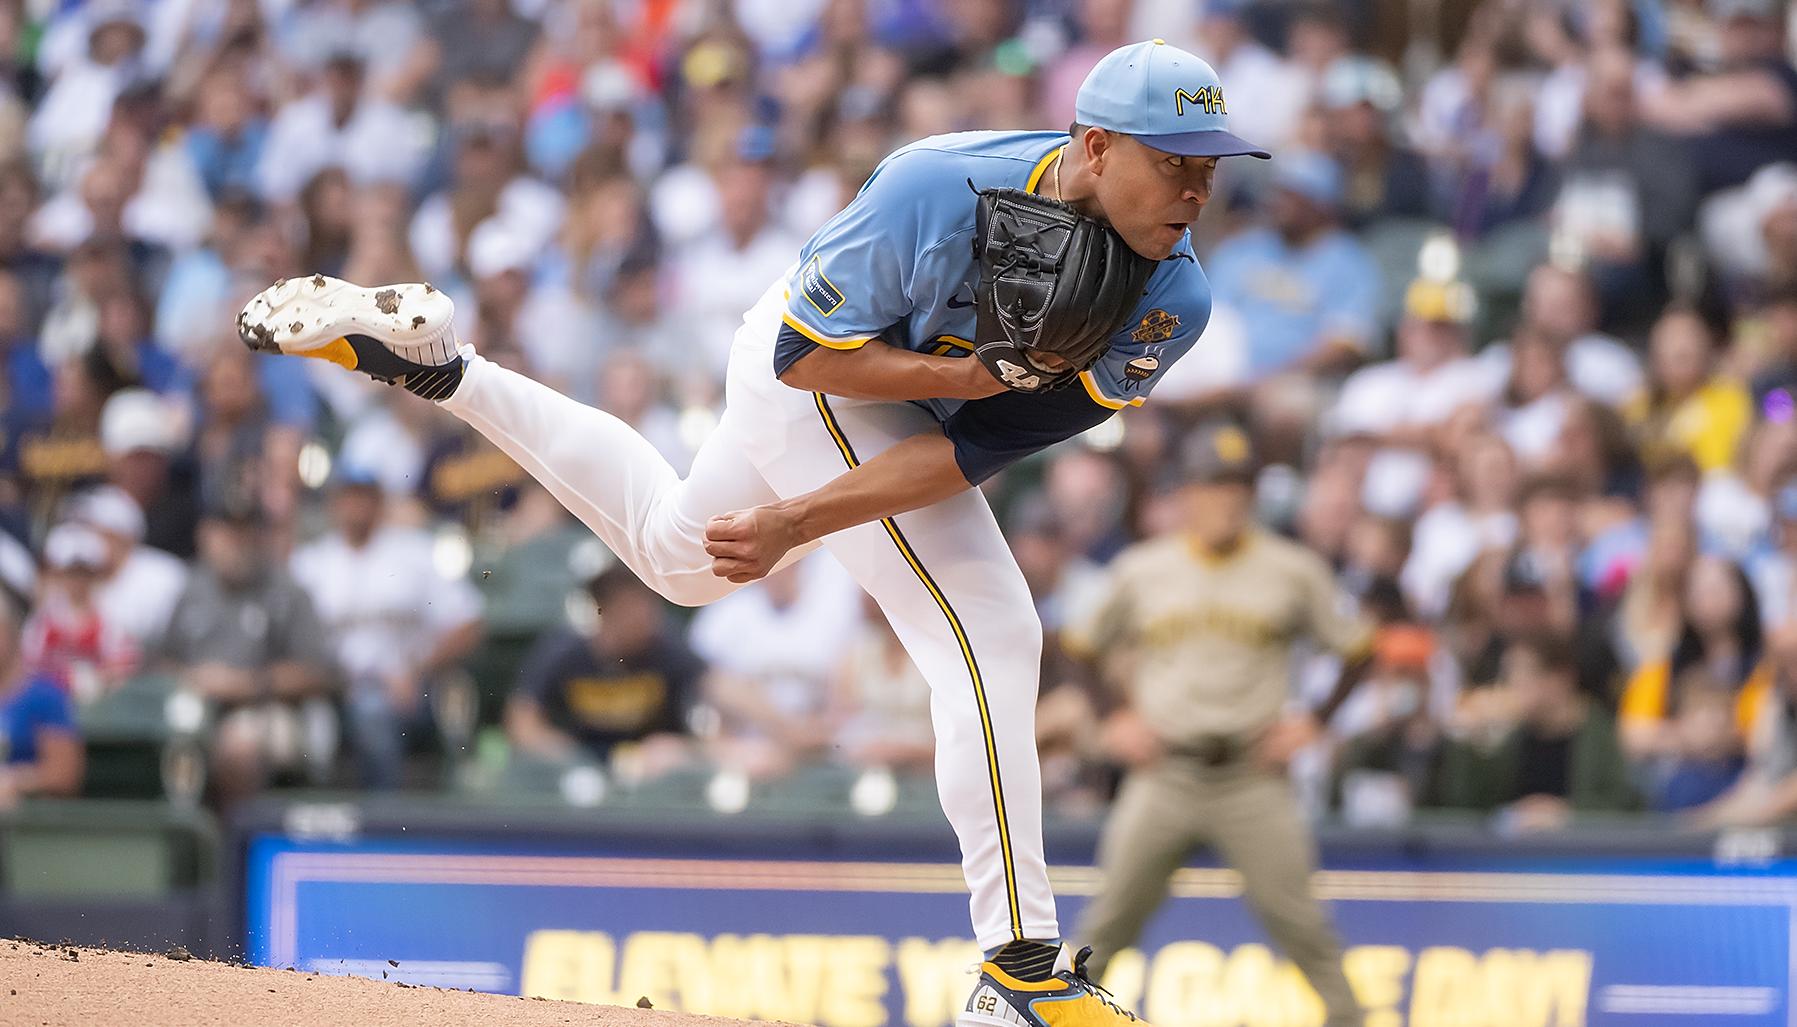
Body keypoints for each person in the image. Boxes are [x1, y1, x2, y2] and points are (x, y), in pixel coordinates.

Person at [241, 39, 1268, 1026]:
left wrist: (805, 512)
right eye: (1172, 160)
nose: (1194, 189)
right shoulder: (937, 183)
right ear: (1094, 146)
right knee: (996, 633)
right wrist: (880, 446)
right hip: (813, 365)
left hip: (917, 423)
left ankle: (439, 367)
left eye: (1210, 167)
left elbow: (965, 454)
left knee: (677, 560)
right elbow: (803, 358)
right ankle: (1019, 966)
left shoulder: (1172, 300)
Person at [1064, 421, 1373, 1027]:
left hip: (1249, 774)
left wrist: (1314, 723)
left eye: (1238, 486)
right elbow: (1077, 647)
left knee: (1305, 928)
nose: (1227, 499)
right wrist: (1113, 717)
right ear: (1185, 493)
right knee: (1104, 926)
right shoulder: (1144, 568)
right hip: (1165, 770)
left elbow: (1360, 649)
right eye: (1213, 485)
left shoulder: (1292, 568)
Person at [290, 463, 484, 788]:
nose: (356, 506)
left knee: (372, 712)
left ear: (380, 501)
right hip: (329, 689)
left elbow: (469, 621)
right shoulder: (310, 563)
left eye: (364, 496)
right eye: (349, 496)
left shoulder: (413, 552)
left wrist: (418, 668)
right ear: (334, 503)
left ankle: (382, 820)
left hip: (408, 687)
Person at [505, 563, 700, 777]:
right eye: (630, 606)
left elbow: (713, 695)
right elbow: (522, 719)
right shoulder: (565, 651)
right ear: (604, 608)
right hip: (578, 770)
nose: (643, 616)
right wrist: (565, 756)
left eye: (648, 604)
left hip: (651, 772)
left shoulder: (668, 648)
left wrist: (683, 748)